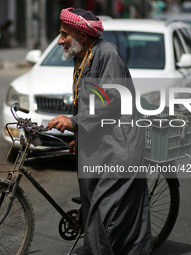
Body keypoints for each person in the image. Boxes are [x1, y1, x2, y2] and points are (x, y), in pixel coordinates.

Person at [47, 8, 152, 255]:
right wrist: (80, 137)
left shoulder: (108, 53)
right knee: (92, 207)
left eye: (64, 34)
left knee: (104, 213)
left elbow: (111, 99)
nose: (60, 40)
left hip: (119, 146)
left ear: (82, 35)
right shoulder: (81, 56)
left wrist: (74, 123)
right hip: (98, 146)